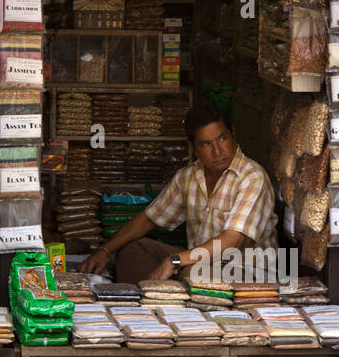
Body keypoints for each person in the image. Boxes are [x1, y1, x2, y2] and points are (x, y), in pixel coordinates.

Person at [81, 104, 277, 286]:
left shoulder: (252, 177)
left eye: (222, 138)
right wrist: (104, 251)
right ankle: (150, 301)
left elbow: (232, 240)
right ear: (193, 147)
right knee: (134, 250)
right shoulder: (188, 177)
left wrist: (175, 260)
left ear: (233, 134)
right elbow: (149, 219)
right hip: (198, 263)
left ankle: (165, 295)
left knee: (193, 274)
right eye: (206, 144)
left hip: (247, 270)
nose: (218, 151)